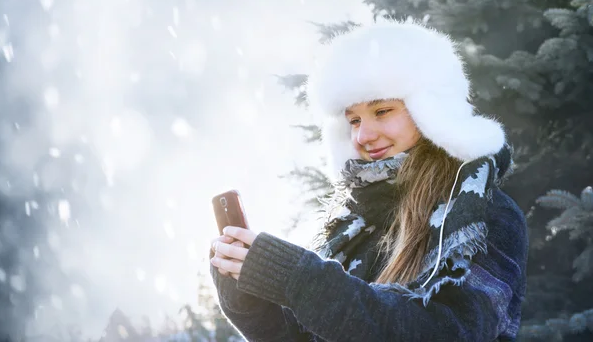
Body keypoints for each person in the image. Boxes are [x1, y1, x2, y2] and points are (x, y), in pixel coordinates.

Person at [209, 20, 528, 341]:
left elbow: (449, 332)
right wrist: (246, 294)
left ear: (431, 111)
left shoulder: (483, 216)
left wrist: (299, 277)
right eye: (354, 119)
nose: (363, 135)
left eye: (382, 111)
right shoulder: (357, 222)